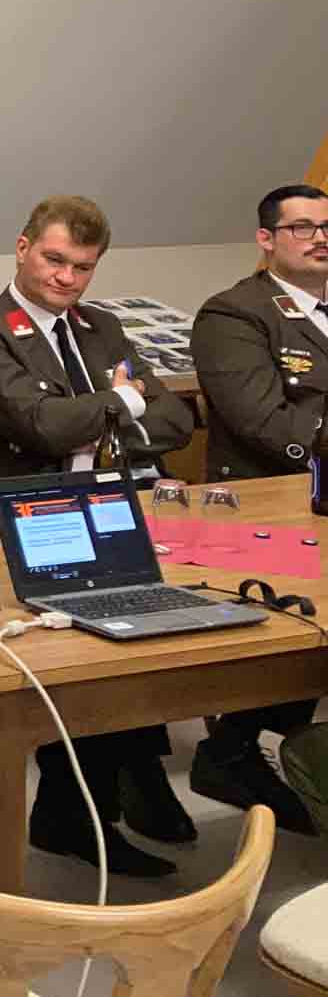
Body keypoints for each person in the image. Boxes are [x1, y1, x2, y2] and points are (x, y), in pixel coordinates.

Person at [0, 196, 197, 876]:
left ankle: (77, 816)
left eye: (82, 268)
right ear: (23, 247)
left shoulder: (101, 327)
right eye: (54, 260)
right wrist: (124, 402)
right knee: (68, 669)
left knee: (127, 652)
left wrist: (96, 421)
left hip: (115, 511)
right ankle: (56, 820)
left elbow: (177, 422)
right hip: (32, 519)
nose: (66, 278)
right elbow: (40, 427)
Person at [185, 183, 328, 834]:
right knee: (290, 644)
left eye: (326, 227)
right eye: (302, 227)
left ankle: (250, 748)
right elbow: (263, 420)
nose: (319, 238)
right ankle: (234, 750)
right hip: (268, 505)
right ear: (266, 240)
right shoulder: (235, 313)